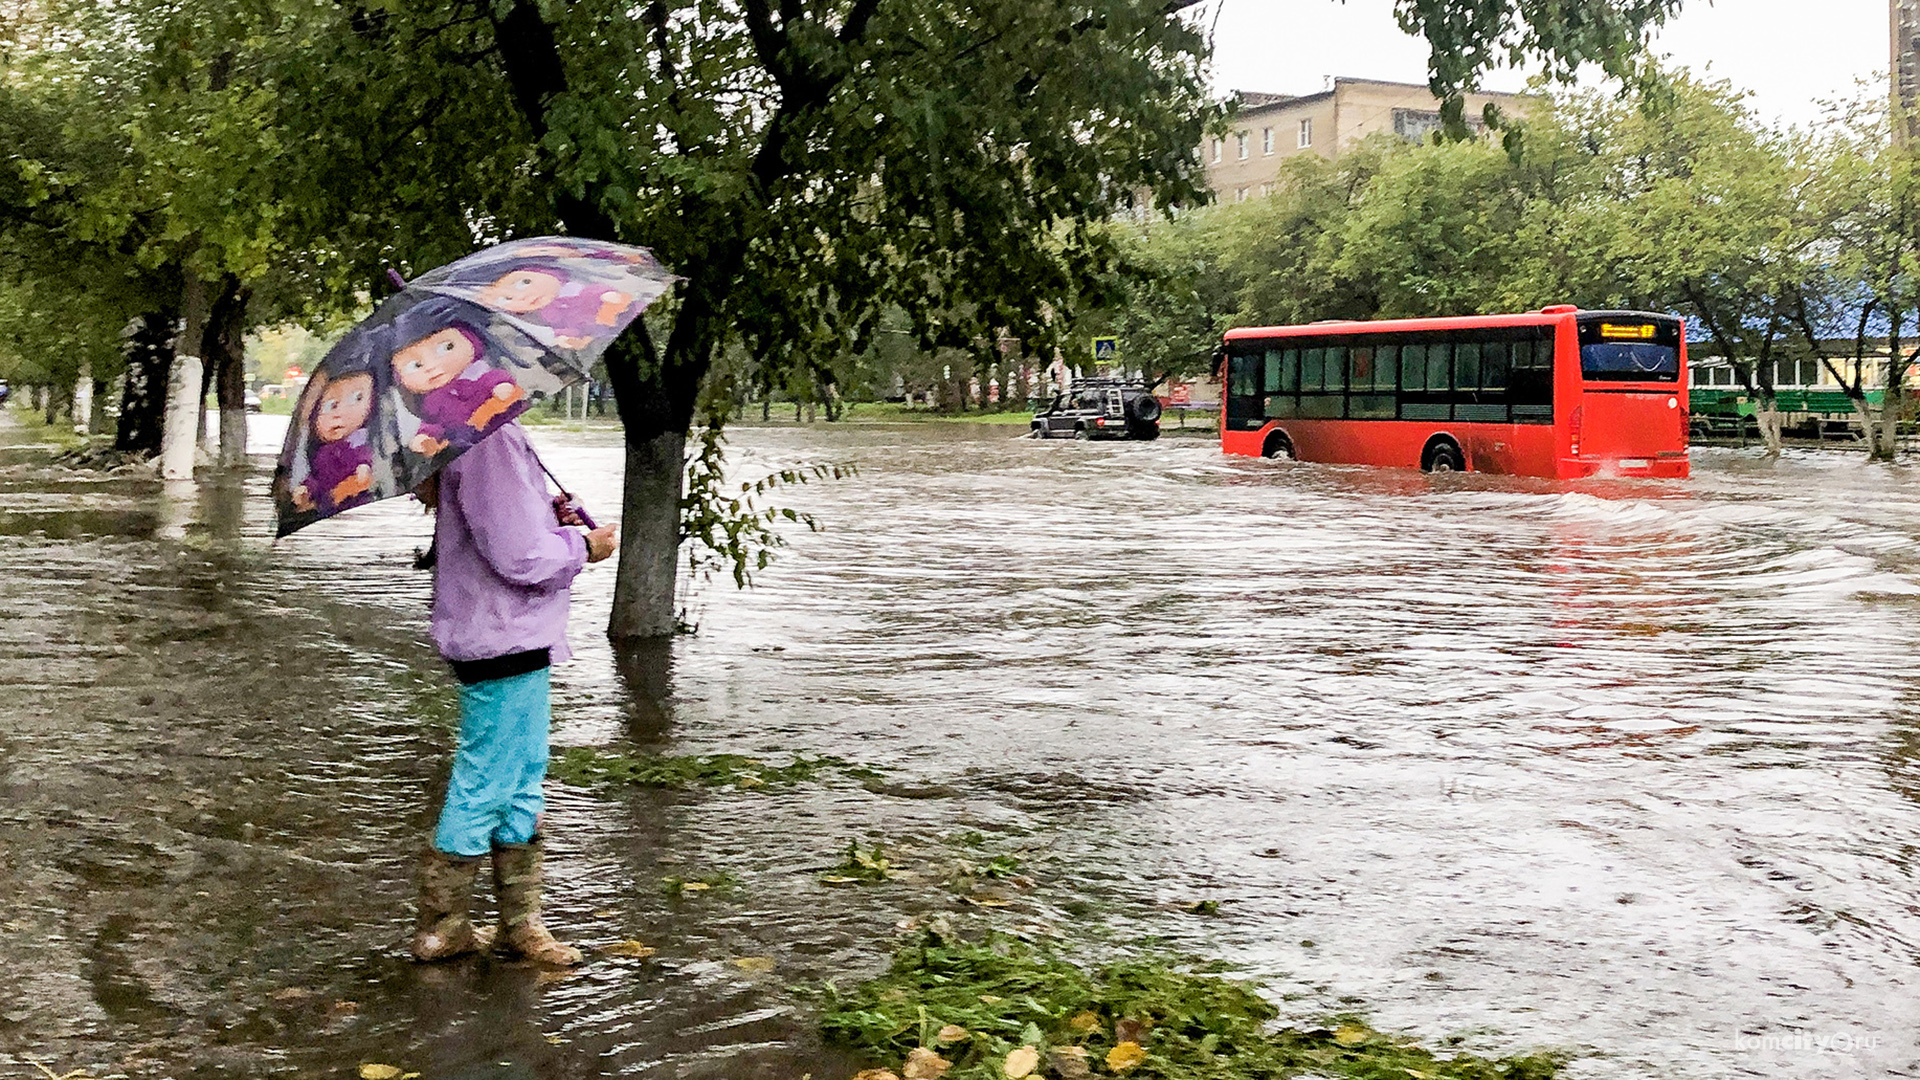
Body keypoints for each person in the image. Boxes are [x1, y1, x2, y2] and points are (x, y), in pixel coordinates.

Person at [410, 420, 617, 965]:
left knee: (522, 776)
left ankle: (520, 927)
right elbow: (521, 558)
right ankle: (443, 928)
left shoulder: (477, 438)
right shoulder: (489, 441)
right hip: (501, 633)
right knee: (486, 780)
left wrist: (549, 516)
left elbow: (504, 527)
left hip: (508, 632)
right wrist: (583, 546)